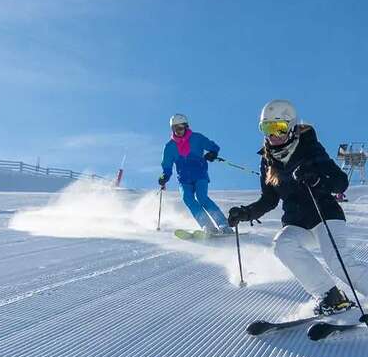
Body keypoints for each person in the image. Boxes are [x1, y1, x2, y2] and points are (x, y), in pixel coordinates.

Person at [228, 99, 368, 315]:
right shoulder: (267, 160)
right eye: (267, 128)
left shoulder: (309, 148)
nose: (273, 135)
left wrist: (316, 180)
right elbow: (269, 199)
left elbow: (340, 182)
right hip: (297, 222)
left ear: (291, 127)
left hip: (325, 215)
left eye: (279, 128)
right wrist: (246, 213)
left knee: (337, 261)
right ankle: (330, 296)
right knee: (282, 245)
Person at [158, 113, 231, 235]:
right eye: (175, 128)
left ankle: (223, 224)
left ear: (186, 126)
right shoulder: (170, 146)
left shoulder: (196, 138)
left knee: (202, 197)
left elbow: (213, 147)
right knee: (187, 198)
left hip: (200, 175)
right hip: (184, 179)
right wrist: (164, 176)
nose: (178, 131)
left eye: (181, 127)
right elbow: (167, 166)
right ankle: (207, 226)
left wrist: (212, 153)